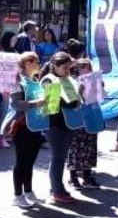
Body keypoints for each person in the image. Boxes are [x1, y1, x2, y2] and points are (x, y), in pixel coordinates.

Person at [41, 52, 83, 204]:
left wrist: (79, 94)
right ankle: (57, 191)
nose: (67, 71)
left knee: (61, 157)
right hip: (55, 125)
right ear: (55, 67)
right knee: (58, 158)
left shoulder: (68, 79)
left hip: (68, 124)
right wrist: (73, 100)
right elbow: (52, 107)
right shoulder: (49, 80)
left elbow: (76, 101)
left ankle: (57, 188)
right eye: (64, 68)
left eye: (68, 68)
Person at [11, 52, 46, 208]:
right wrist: (37, 103)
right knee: (22, 161)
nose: (37, 64)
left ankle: (29, 191)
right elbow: (16, 104)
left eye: (37, 61)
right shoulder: (18, 82)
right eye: (33, 61)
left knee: (30, 161)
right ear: (25, 64)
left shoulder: (36, 80)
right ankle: (18, 195)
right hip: (22, 126)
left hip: (36, 125)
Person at [68, 59, 101, 189]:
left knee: (90, 147)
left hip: (91, 117)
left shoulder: (93, 80)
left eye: (89, 68)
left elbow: (99, 97)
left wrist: (99, 88)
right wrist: (79, 92)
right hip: (79, 120)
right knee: (76, 148)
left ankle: (87, 176)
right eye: (83, 67)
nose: (87, 70)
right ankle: (73, 177)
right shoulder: (72, 82)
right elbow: (71, 102)